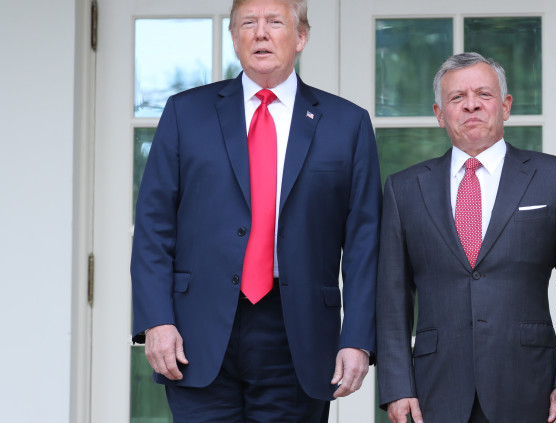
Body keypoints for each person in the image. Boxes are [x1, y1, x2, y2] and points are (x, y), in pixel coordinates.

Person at [130, 0, 381, 421]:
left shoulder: (347, 123)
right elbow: (154, 227)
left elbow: (364, 243)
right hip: (196, 332)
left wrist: (357, 337)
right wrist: (156, 320)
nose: (260, 32)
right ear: (234, 38)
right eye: (248, 23)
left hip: (298, 333)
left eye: (274, 22)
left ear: (301, 37)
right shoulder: (185, 113)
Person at [376, 52, 556, 423]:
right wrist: (397, 385)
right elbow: (391, 297)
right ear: (439, 114)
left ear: (506, 106)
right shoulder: (404, 189)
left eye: (484, 94)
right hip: (437, 389)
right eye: (457, 98)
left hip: (531, 385)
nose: (471, 105)